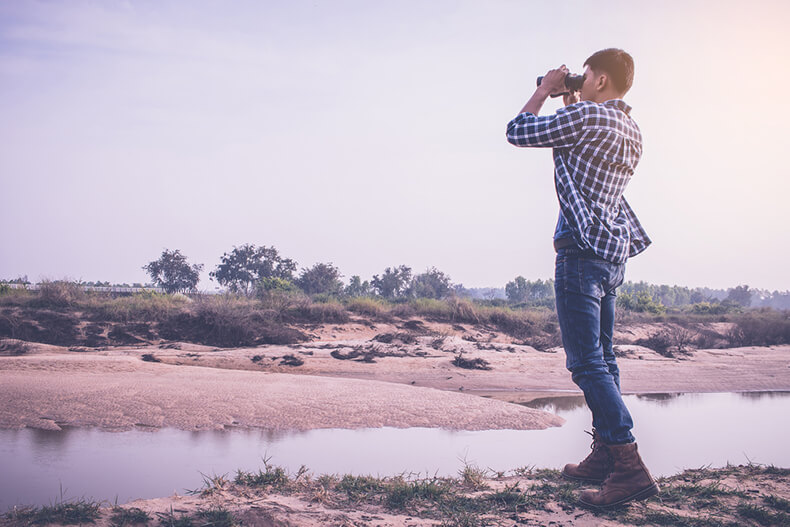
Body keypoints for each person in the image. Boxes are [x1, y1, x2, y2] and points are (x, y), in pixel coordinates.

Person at [505, 48, 659, 509]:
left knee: (586, 363)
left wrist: (545, 89)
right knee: (605, 359)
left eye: (586, 74)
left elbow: (518, 132)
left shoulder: (589, 119)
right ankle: (605, 456)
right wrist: (571, 95)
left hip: (579, 255)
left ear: (602, 80)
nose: (581, 79)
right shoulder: (629, 127)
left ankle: (629, 465)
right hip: (612, 255)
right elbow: (579, 143)